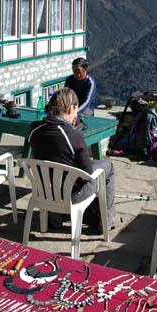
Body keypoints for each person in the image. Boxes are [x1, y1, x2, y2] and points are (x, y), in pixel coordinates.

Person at [28, 87, 115, 230]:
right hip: (71, 195)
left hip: (45, 191)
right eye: (76, 109)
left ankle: (55, 214)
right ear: (71, 108)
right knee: (108, 166)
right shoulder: (74, 135)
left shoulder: (34, 129)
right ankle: (107, 219)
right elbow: (86, 172)